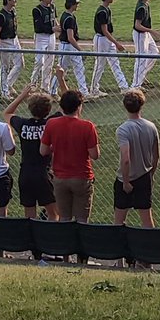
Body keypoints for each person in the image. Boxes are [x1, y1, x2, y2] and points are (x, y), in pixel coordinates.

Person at [40, 89, 99, 222]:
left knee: (64, 217)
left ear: (61, 107)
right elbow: (94, 155)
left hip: (60, 178)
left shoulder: (52, 124)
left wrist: (56, 145)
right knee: (82, 219)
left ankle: (65, 236)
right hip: (82, 177)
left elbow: (43, 151)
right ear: (79, 107)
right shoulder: (87, 126)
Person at [4, 83, 59, 220]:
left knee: (29, 216)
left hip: (26, 173)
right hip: (44, 173)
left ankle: (31, 234)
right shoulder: (50, 123)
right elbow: (68, 107)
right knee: (53, 214)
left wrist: (22, 96)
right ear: (49, 109)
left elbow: (7, 113)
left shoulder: (23, 124)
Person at [113, 89, 160, 228]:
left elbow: (126, 159)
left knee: (119, 219)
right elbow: (156, 155)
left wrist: (126, 182)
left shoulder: (123, 130)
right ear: (142, 105)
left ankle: (120, 241)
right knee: (147, 218)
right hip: (144, 176)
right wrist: (151, 174)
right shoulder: (151, 127)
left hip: (125, 179)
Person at [90, 0, 129, 98]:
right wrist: (116, 43)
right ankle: (94, 89)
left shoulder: (107, 9)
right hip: (101, 39)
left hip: (106, 39)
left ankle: (124, 87)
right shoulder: (102, 11)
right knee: (100, 65)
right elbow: (104, 31)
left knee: (115, 63)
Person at [57, 0, 90, 97]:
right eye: (76, 4)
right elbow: (70, 38)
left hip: (69, 46)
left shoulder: (66, 15)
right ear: (72, 4)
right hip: (67, 46)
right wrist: (80, 50)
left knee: (79, 68)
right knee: (62, 70)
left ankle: (84, 92)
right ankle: (53, 91)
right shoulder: (69, 18)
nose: (77, 5)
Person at [0, 0, 24, 100]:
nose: (15, 0)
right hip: (4, 42)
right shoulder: (1, 16)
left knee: (20, 64)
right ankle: (4, 92)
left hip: (14, 39)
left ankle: (8, 84)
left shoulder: (13, 11)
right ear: (7, 1)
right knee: (5, 67)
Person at [132, 0, 160, 89]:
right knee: (141, 59)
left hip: (145, 34)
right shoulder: (141, 8)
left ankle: (141, 76)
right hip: (140, 35)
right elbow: (137, 25)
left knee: (154, 52)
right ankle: (135, 85)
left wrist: (150, 31)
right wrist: (151, 31)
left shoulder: (145, 5)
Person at [31, 0, 59, 90]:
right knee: (39, 61)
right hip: (41, 37)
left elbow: (54, 19)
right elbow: (38, 27)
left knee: (49, 62)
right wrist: (53, 28)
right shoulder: (37, 10)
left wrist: (57, 26)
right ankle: (33, 84)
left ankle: (45, 86)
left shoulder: (52, 7)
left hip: (51, 36)